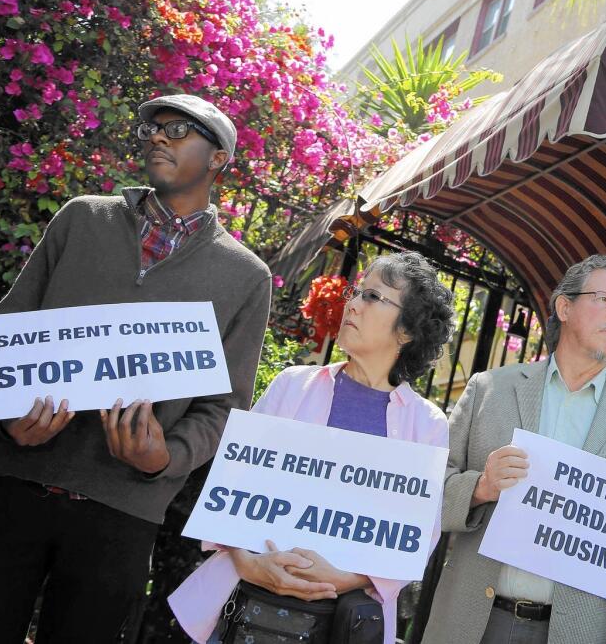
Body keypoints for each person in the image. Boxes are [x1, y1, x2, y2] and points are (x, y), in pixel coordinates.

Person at [0, 94, 271, 642]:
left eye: (180, 129)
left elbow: (225, 405)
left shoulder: (245, 277)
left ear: (218, 159)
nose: (159, 137)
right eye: (155, 128)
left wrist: (165, 456)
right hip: (16, 484)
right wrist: (7, 417)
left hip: (123, 514)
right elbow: (10, 330)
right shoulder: (82, 219)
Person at [170, 252, 454, 644]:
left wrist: (348, 579)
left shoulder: (427, 425)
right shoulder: (291, 385)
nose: (351, 304)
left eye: (372, 297)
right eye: (356, 292)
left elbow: (419, 537)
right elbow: (232, 488)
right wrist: (249, 563)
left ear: (407, 331)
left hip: (340, 625)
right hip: (245, 608)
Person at [423, 254, 606, 644]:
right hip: (472, 622)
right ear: (564, 306)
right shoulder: (487, 389)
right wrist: (481, 488)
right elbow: (425, 496)